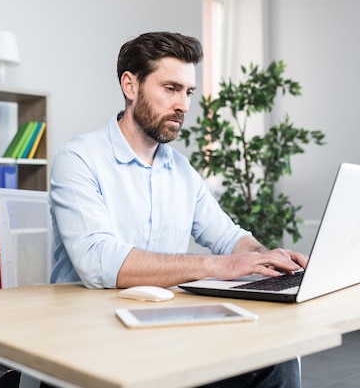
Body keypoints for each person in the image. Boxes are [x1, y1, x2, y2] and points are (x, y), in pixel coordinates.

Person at [49, 31, 307, 387]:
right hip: (90, 343)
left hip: (162, 334)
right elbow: (97, 261)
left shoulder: (182, 171)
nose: (183, 105)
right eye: (170, 89)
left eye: (188, 92)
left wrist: (271, 260)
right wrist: (219, 266)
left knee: (276, 357)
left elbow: (228, 237)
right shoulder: (79, 159)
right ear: (130, 85)